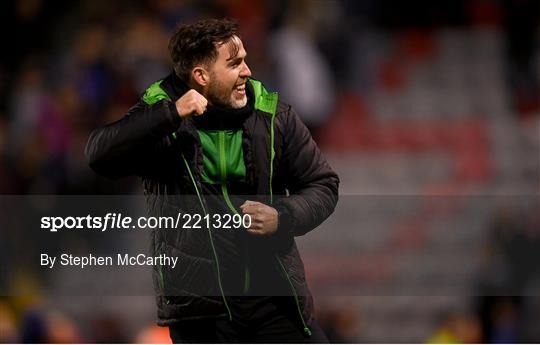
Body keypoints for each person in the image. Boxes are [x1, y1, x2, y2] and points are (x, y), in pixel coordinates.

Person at [85, 18, 339, 343]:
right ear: (201, 77)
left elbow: (323, 184)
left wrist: (284, 216)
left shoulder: (275, 116)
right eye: (234, 64)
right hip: (200, 315)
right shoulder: (161, 118)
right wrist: (170, 114)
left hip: (275, 299)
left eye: (245, 59)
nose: (247, 71)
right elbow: (98, 155)